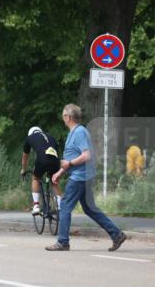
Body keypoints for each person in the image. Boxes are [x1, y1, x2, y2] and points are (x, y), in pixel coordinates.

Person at [46, 104, 127, 252]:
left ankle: (63, 242)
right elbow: (72, 158)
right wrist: (60, 172)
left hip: (80, 177)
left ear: (68, 117)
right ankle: (116, 234)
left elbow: (86, 155)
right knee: (90, 209)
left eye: (64, 116)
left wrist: (69, 163)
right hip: (81, 175)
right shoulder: (74, 132)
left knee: (65, 207)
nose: (63, 119)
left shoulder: (79, 132)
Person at [20, 126, 63, 215]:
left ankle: (36, 206)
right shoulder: (50, 137)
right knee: (54, 180)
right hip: (55, 160)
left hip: (42, 159)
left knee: (35, 178)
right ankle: (60, 206)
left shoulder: (29, 138)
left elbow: (25, 156)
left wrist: (23, 169)